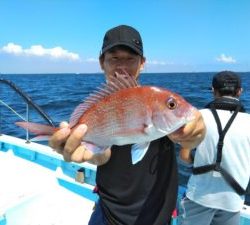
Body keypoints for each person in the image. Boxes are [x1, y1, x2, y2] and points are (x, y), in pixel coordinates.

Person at [49, 25, 205, 225]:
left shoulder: (157, 104)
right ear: (101, 63)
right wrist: (94, 152)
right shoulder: (100, 106)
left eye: (130, 58)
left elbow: (191, 136)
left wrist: (196, 133)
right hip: (108, 214)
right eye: (114, 58)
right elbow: (103, 154)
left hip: (157, 218)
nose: (122, 66)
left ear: (142, 63)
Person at [178, 71, 250, 225]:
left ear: (213, 90)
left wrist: (197, 160)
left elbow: (184, 158)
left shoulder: (197, 116)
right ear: (240, 91)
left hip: (199, 196)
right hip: (233, 200)